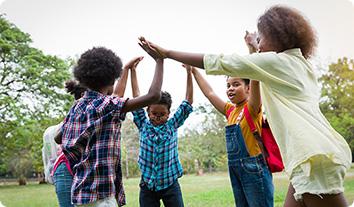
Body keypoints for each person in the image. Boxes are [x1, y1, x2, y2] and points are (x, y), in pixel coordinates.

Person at [138, 5, 352, 207]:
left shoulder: (278, 63)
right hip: (307, 160)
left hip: (313, 160)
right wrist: (252, 48)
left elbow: (223, 62)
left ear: (276, 36)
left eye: (262, 37)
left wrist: (167, 53)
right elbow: (254, 70)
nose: (259, 42)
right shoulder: (298, 65)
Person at [60, 40, 164, 207]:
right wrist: (160, 60)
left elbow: (60, 137)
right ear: (111, 80)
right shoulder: (108, 106)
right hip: (101, 195)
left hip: (81, 195)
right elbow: (153, 96)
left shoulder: (77, 106)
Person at [181, 31, 273, 207]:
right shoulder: (230, 111)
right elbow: (209, 93)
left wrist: (252, 50)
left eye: (236, 84)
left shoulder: (252, 108)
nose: (230, 89)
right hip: (236, 169)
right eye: (228, 85)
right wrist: (193, 71)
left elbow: (255, 76)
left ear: (248, 88)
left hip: (254, 168)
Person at [128, 63, 193, 207]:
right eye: (154, 114)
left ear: (169, 113)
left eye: (162, 114)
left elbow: (188, 102)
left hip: (170, 185)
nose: (157, 117)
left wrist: (189, 73)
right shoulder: (143, 125)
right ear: (148, 112)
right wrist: (133, 71)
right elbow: (136, 97)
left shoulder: (172, 125)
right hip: (147, 186)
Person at [49, 80, 86, 207]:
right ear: (83, 95)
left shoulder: (92, 111)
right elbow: (57, 138)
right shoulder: (76, 113)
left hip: (81, 167)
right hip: (66, 168)